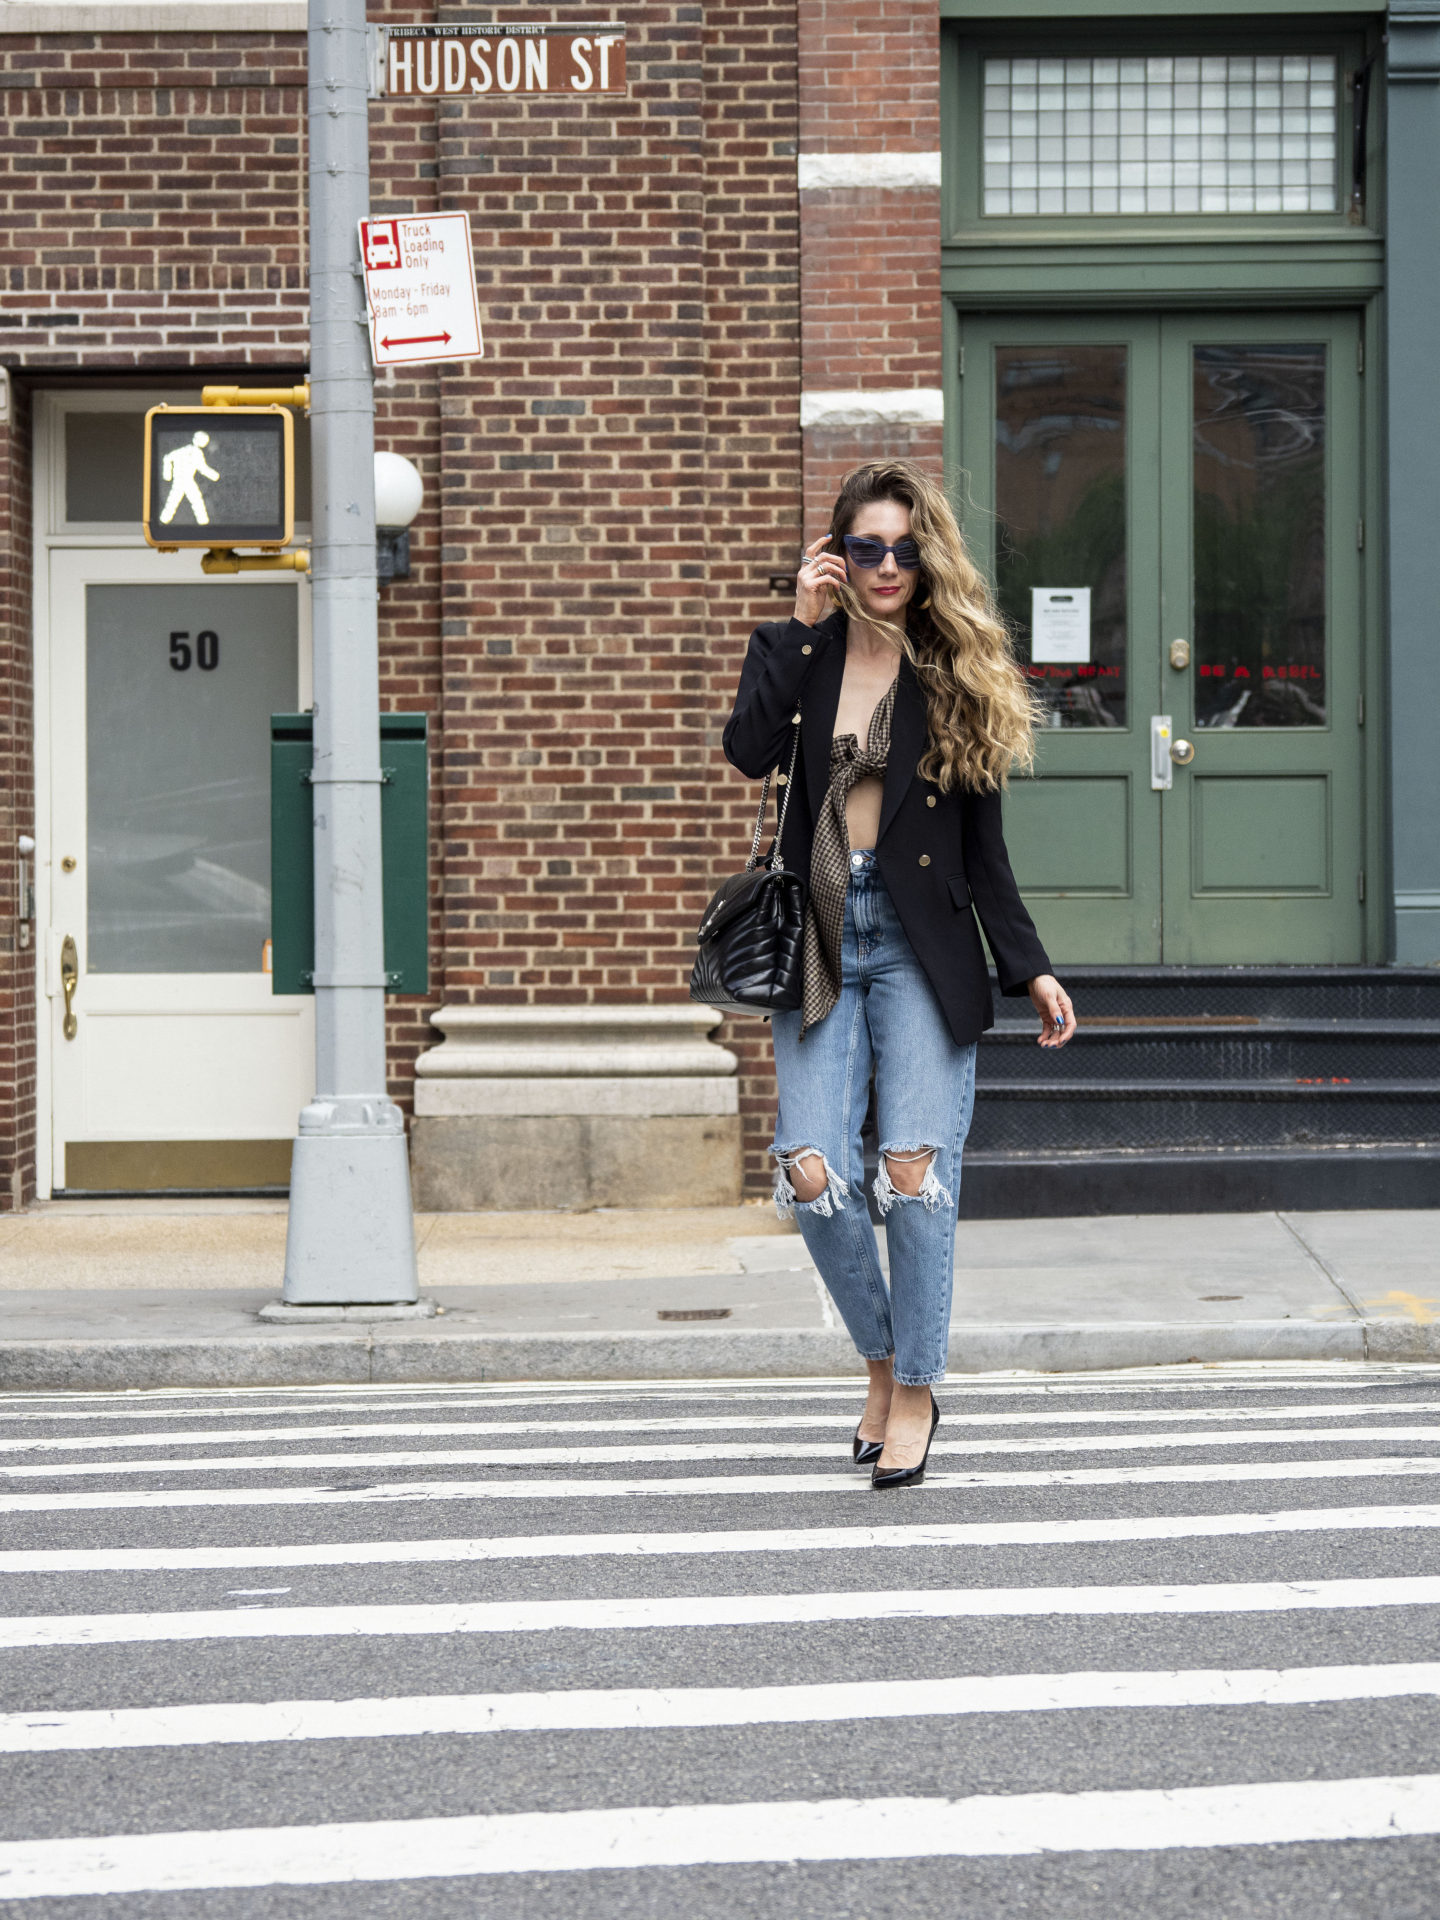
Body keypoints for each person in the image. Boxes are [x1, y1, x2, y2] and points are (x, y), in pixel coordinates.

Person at [723, 459, 1075, 1488]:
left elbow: (984, 851)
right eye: (866, 547)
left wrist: (1031, 969)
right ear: (839, 555)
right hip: (826, 929)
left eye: (904, 548)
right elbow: (747, 752)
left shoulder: (956, 669)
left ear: (928, 562)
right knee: (813, 1172)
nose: (885, 565)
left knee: (914, 1180)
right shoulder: (801, 655)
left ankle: (914, 1390)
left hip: (923, 943)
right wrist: (796, 620)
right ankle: (881, 1361)